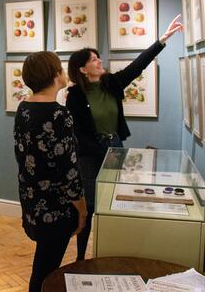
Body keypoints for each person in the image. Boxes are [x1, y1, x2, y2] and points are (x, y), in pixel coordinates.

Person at [66, 14, 183, 261]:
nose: (100, 61)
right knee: (90, 205)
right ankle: (80, 257)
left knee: (112, 200)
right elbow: (78, 133)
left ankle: (107, 251)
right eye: (94, 59)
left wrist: (161, 41)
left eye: (98, 58)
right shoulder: (75, 95)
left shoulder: (111, 83)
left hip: (114, 146)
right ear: (82, 69)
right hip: (90, 153)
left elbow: (138, 65)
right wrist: (102, 152)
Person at [14, 51, 87, 292]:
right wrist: (82, 207)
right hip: (57, 207)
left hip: (33, 201)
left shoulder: (23, 109)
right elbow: (68, 169)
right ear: (56, 75)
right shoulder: (60, 114)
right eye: (62, 69)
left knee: (44, 261)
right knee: (45, 268)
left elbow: (24, 158)